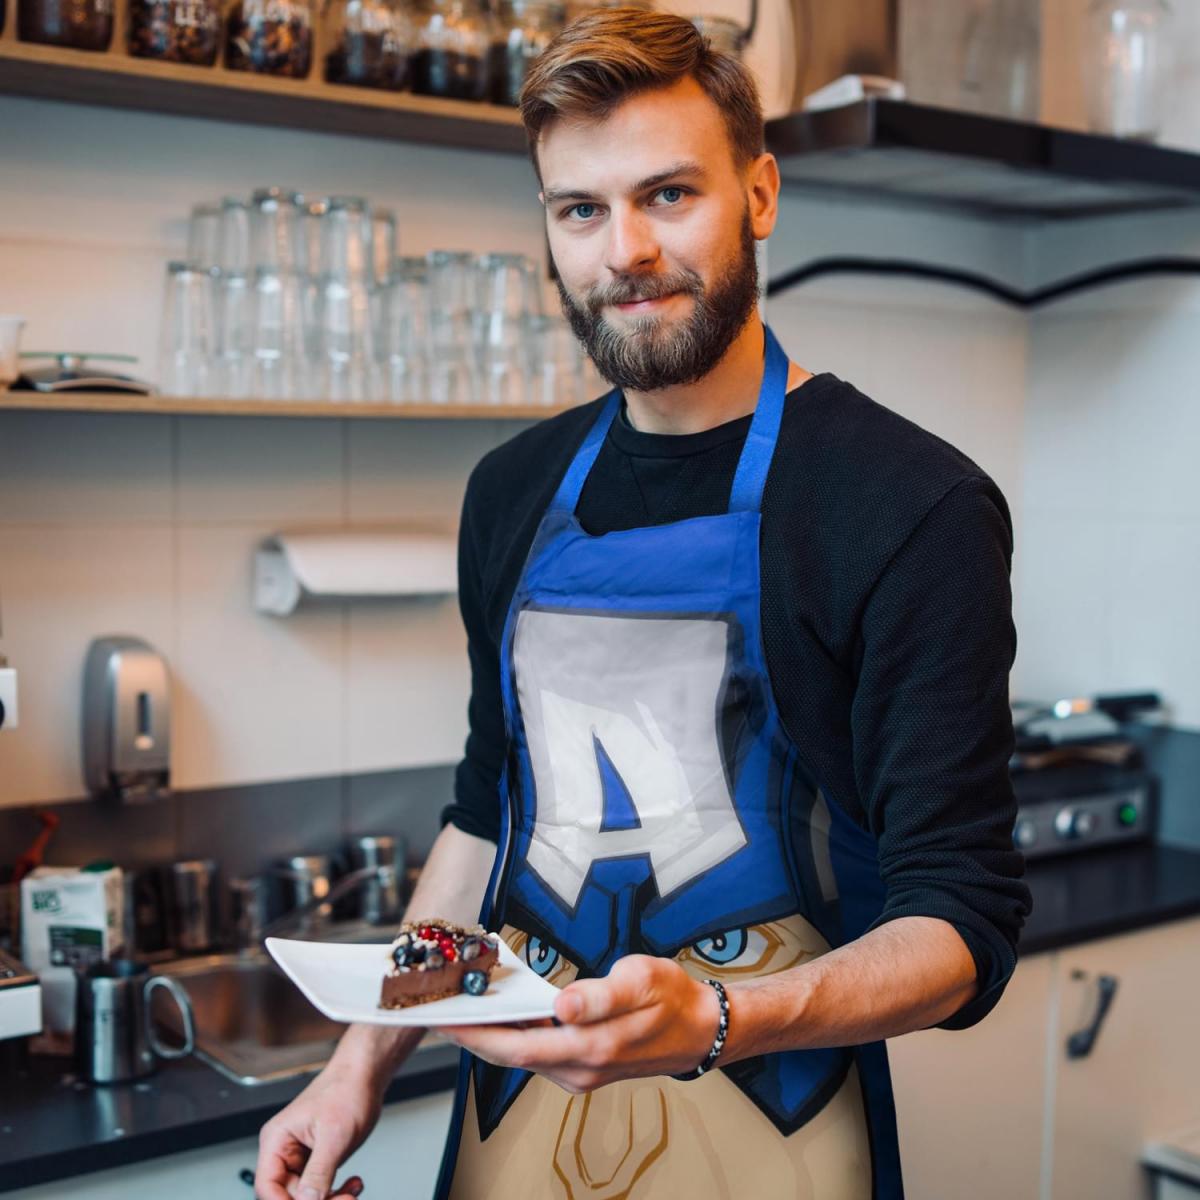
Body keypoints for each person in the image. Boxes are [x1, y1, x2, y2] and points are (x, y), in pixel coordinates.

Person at [255, 10, 1032, 1199]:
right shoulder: (510, 490)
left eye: (669, 195)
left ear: (759, 195)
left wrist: (719, 1015)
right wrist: (359, 1063)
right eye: (581, 209)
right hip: (505, 1144)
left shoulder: (908, 504)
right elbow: (484, 820)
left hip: (777, 1141)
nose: (623, 249)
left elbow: (961, 927)